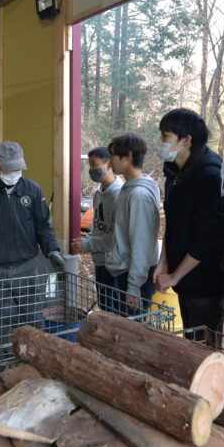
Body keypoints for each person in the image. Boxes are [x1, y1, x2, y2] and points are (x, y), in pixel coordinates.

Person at [0, 141, 65, 344]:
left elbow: (43, 226)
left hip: (26, 268)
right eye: (10, 168)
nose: (15, 172)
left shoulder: (32, 190)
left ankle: (35, 362)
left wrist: (52, 250)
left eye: (18, 167)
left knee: (34, 321)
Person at [153, 109, 224, 339]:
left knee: (203, 348)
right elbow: (173, 224)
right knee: (190, 340)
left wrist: (175, 276)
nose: (160, 142)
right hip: (183, 276)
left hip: (206, 281)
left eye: (165, 136)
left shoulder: (210, 174)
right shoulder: (174, 174)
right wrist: (163, 263)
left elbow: (208, 238)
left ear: (186, 140)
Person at [105, 133, 161, 313]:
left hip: (136, 276)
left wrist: (134, 285)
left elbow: (142, 243)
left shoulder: (139, 195)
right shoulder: (128, 189)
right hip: (127, 272)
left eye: (113, 155)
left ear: (128, 156)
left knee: (134, 332)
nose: (110, 161)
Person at [79, 146, 124, 312]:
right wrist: (87, 240)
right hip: (100, 261)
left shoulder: (119, 194)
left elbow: (115, 237)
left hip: (114, 264)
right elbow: (97, 225)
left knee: (116, 310)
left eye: (94, 164)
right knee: (104, 306)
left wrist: (87, 245)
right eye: (90, 165)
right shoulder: (98, 192)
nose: (91, 169)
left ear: (109, 164)